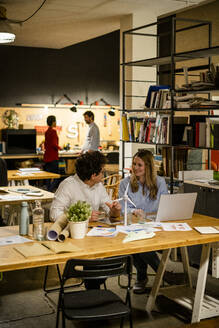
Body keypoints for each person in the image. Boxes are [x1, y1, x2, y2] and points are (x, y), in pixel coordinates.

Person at [119, 149, 184, 294]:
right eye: (134, 164)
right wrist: (133, 212)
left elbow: (164, 204)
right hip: (133, 223)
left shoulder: (159, 182)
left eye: (139, 165)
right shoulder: (126, 183)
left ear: (148, 167)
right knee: (137, 241)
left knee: (140, 242)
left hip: (154, 223)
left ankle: (141, 278)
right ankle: (162, 272)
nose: (135, 168)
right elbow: (123, 208)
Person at [50, 151, 120, 222]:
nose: (103, 175)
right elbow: (54, 214)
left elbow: (110, 211)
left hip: (93, 230)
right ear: (93, 175)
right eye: (102, 172)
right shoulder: (68, 185)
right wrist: (83, 217)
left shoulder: (98, 185)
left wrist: (115, 211)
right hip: (71, 230)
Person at [43, 115, 61, 192]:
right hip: (53, 157)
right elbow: (54, 144)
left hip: (47, 156)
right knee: (57, 176)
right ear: (53, 122)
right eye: (55, 121)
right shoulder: (53, 131)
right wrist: (60, 148)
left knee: (48, 175)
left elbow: (47, 144)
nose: (56, 123)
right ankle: (50, 190)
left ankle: (48, 189)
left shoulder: (47, 131)